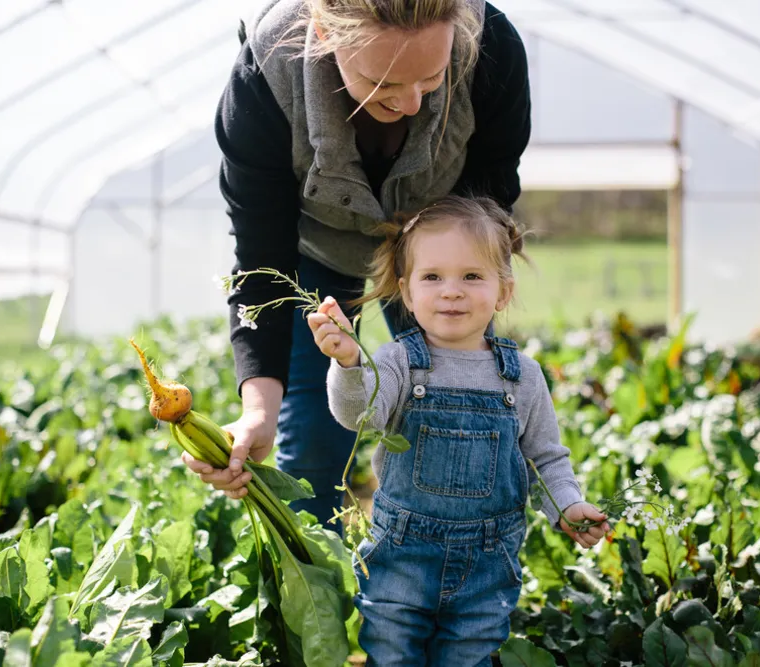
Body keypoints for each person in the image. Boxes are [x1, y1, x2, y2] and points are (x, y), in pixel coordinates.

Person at [182, 0, 533, 529]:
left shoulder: (493, 51)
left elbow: (487, 206)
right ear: (323, 32)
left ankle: (445, 587)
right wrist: (257, 410)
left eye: (432, 77)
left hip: (440, 250)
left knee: (449, 425)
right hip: (316, 248)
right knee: (317, 443)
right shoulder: (265, 77)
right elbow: (261, 260)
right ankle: (318, 591)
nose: (413, 102)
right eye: (383, 83)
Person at [306, 195, 610, 664]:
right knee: (391, 651)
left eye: (472, 276)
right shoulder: (398, 361)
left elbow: (545, 457)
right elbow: (359, 415)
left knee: (469, 655)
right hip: (401, 557)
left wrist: (565, 506)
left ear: (503, 292)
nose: (452, 291)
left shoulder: (522, 375)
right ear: (406, 293)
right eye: (433, 277)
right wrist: (348, 363)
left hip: (488, 566)